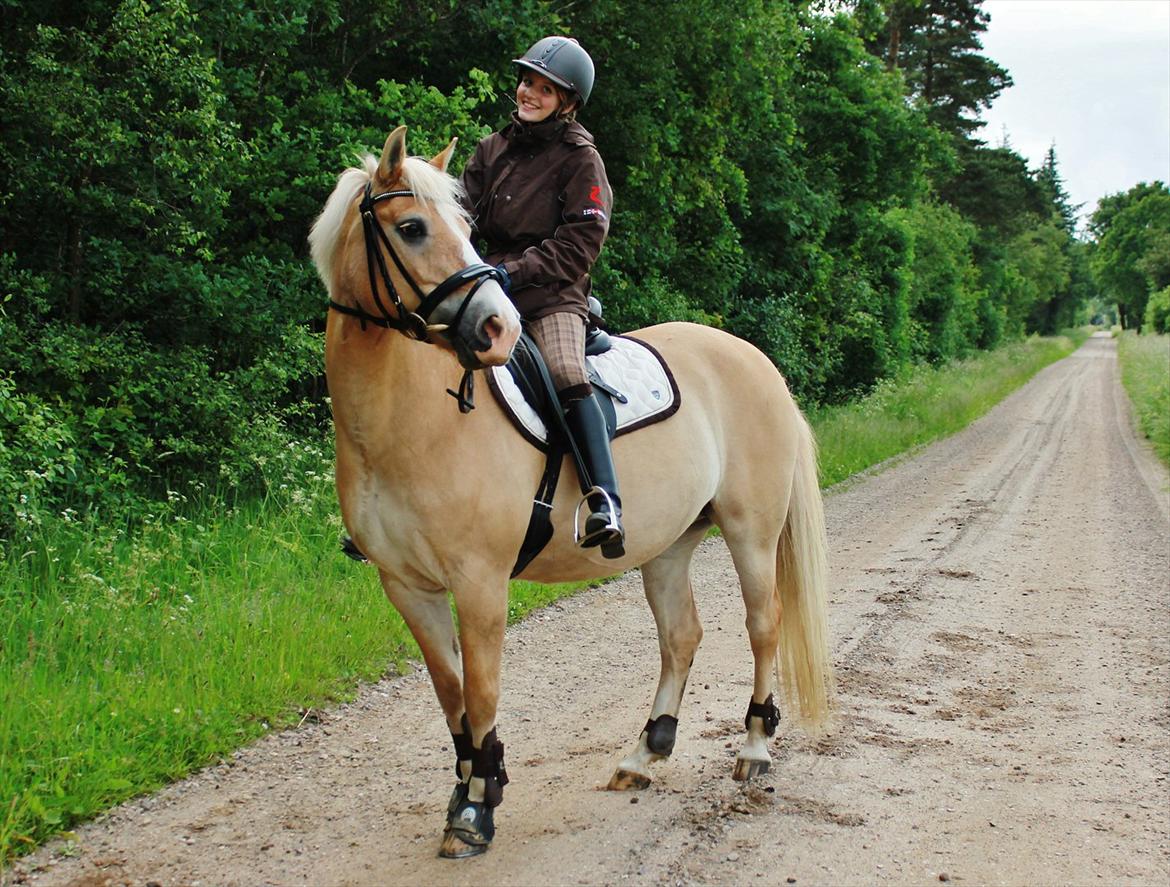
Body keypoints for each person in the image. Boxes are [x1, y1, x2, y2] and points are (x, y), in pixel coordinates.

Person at [460, 36, 623, 557]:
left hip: (553, 295)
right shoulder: (491, 148)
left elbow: (581, 244)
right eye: (528, 80)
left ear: (567, 102)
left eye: (545, 88)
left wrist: (511, 272)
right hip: (487, 286)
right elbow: (457, 217)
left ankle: (605, 498)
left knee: (564, 372)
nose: (529, 92)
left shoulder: (581, 159)